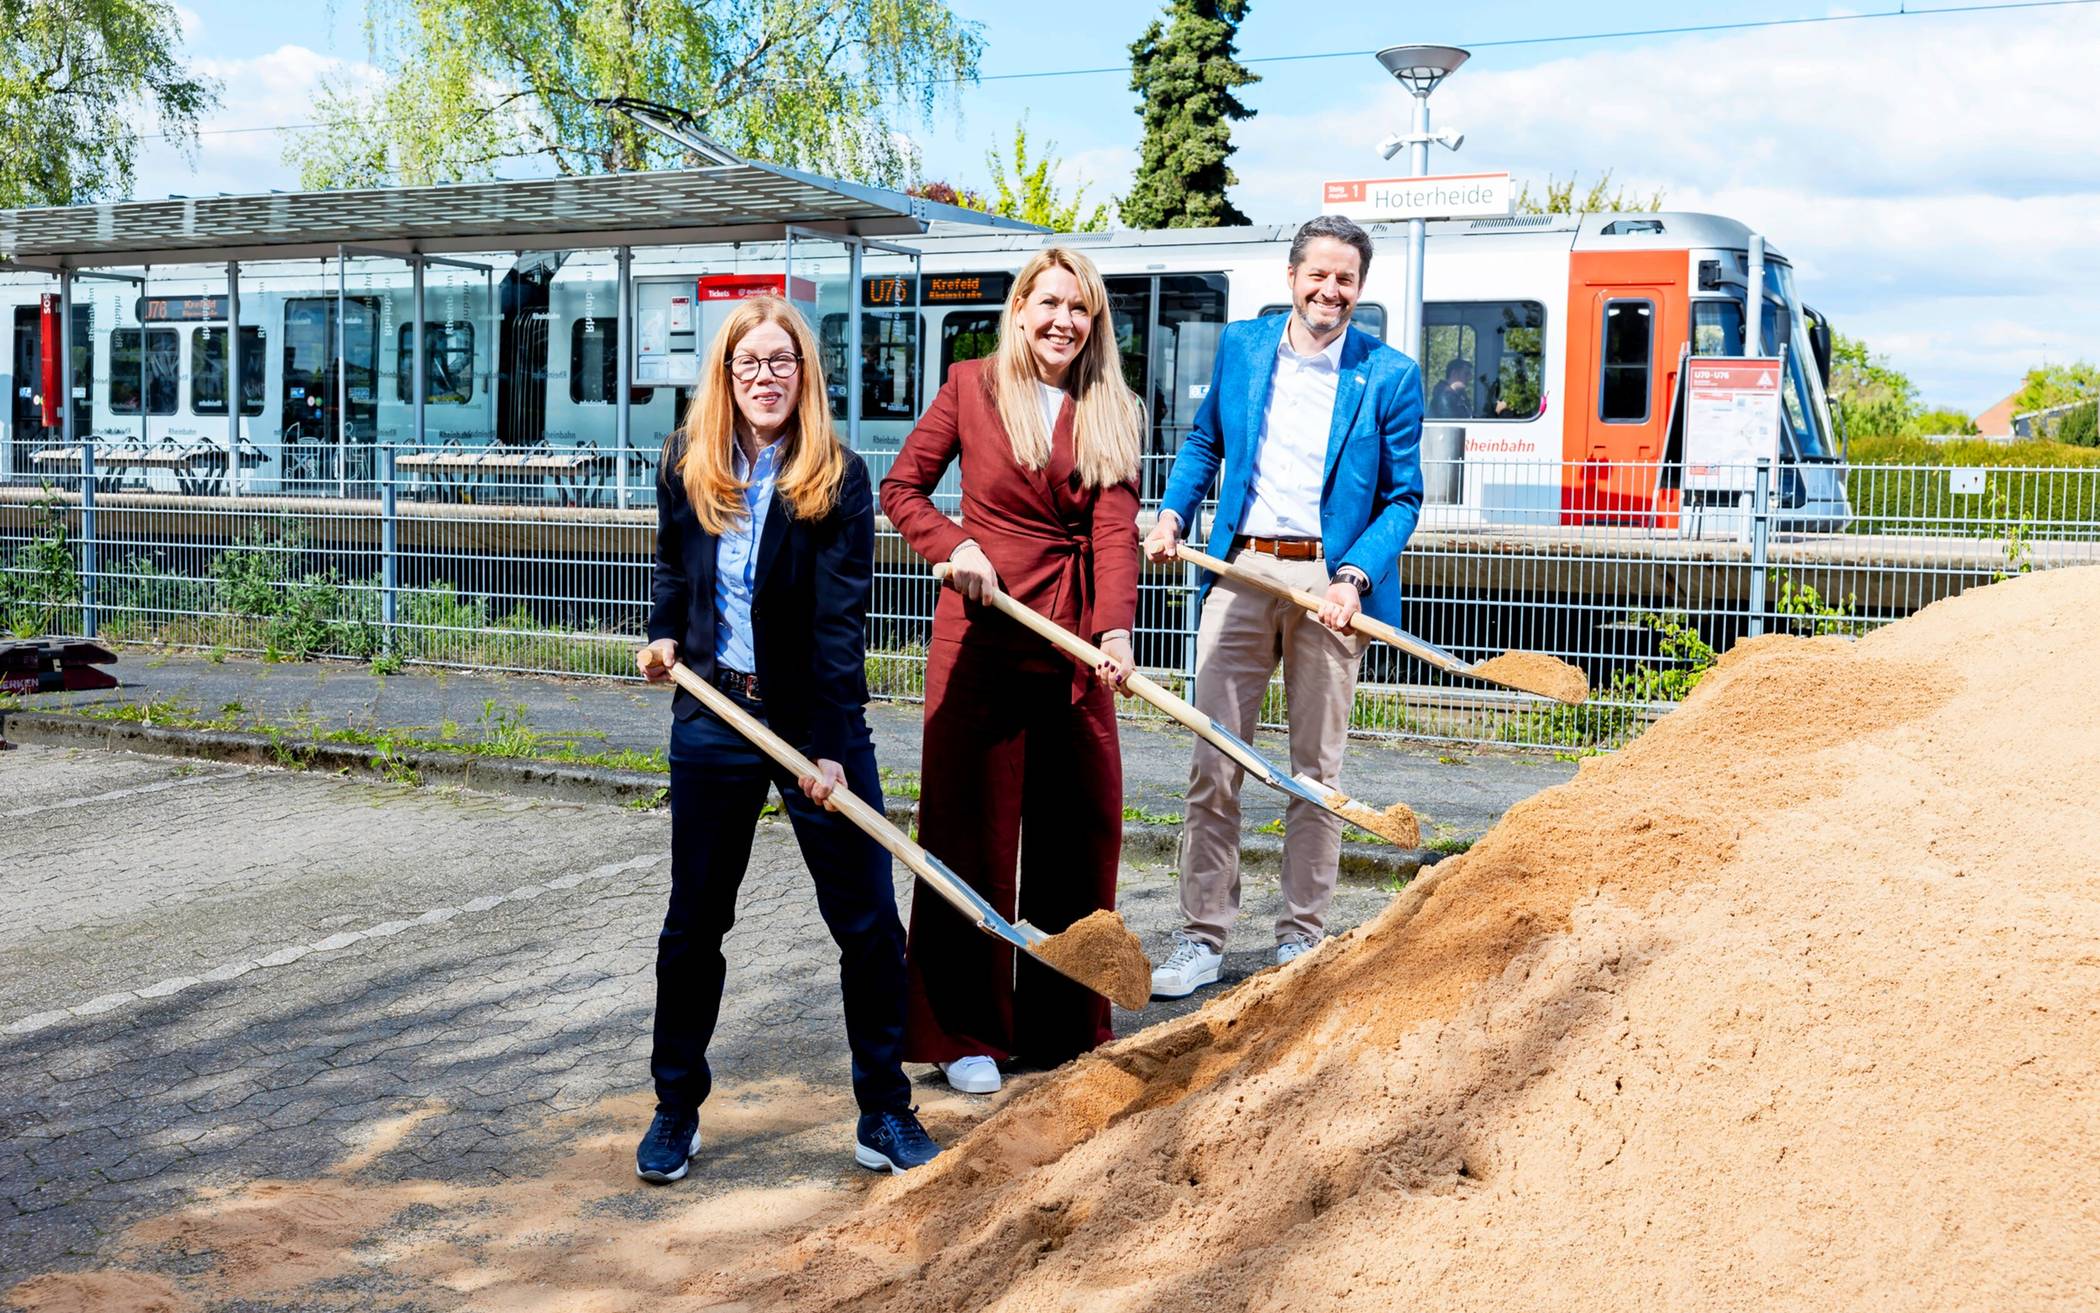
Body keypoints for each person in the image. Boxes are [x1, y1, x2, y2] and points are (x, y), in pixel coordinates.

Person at [633, 295, 938, 1182]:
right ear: (726, 376)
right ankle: (675, 1107)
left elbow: (841, 627)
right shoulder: (687, 463)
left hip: (814, 720)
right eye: (748, 363)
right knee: (695, 924)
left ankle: (882, 1108)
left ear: (805, 374)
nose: (765, 379)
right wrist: (662, 632)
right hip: (715, 717)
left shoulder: (838, 478)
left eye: (781, 362)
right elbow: (672, 571)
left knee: (870, 921)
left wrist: (827, 747)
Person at [880, 247, 1143, 1095]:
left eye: (1082, 308)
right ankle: (965, 1032)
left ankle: (1064, 1022)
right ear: (1021, 306)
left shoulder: (1109, 405)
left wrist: (1115, 632)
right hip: (982, 638)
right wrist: (954, 546)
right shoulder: (971, 386)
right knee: (971, 837)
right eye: (1052, 303)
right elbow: (903, 488)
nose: (1065, 320)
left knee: (1084, 828)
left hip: (1072, 648)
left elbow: (1111, 531)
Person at [1143, 215, 1425, 997]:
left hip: (1330, 585)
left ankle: (1301, 937)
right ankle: (1201, 937)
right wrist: (1172, 514)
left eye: (1346, 279)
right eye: (1319, 275)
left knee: (1315, 774)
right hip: (1240, 568)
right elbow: (1203, 444)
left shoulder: (1391, 374)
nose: (1330, 291)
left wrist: (1354, 579)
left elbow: (1403, 497)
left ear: (1360, 289)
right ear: (1292, 277)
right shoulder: (1242, 347)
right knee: (1214, 764)